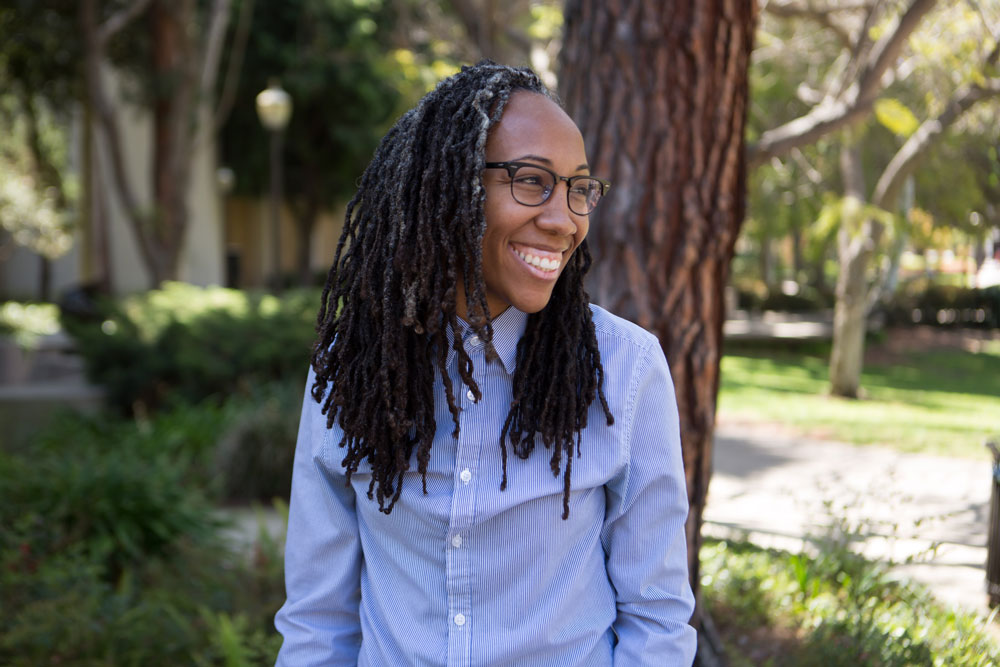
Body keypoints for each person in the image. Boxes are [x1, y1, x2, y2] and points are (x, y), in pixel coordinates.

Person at [275, 61, 696, 666]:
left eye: (579, 188)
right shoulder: (354, 370)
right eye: (532, 181)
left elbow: (656, 615)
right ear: (448, 189)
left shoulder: (624, 368)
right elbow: (318, 619)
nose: (563, 219)